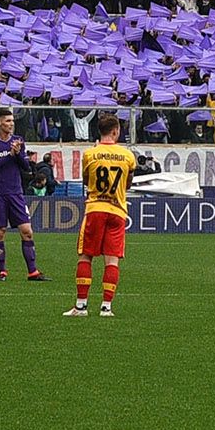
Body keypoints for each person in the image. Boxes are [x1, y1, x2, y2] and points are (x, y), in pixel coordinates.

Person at [65, 114, 135, 318]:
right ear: (115, 131)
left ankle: (81, 306)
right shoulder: (127, 156)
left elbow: (87, 181)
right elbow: (128, 183)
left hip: (96, 208)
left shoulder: (90, 154)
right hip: (118, 211)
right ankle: (106, 307)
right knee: (112, 261)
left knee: (85, 255)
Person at [0, 109, 48, 281]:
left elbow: (26, 167)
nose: (11, 124)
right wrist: (10, 155)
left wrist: (18, 153)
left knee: (27, 231)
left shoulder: (18, 141)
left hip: (15, 192)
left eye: (12, 121)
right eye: (7, 121)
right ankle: (2, 271)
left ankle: (32, 271)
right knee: (0, 232)